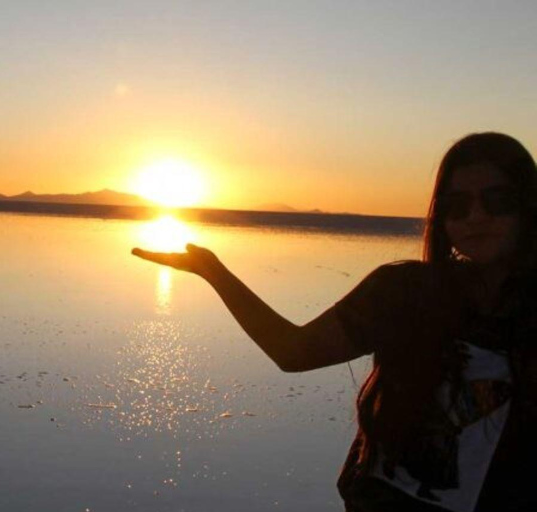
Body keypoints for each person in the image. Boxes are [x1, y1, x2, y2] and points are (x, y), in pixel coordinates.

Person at [131, 132, 537, 512]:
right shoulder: (404, 291)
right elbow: (294, 352)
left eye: (497, 200)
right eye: (457, 205)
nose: (476, 216)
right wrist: (214, 272)